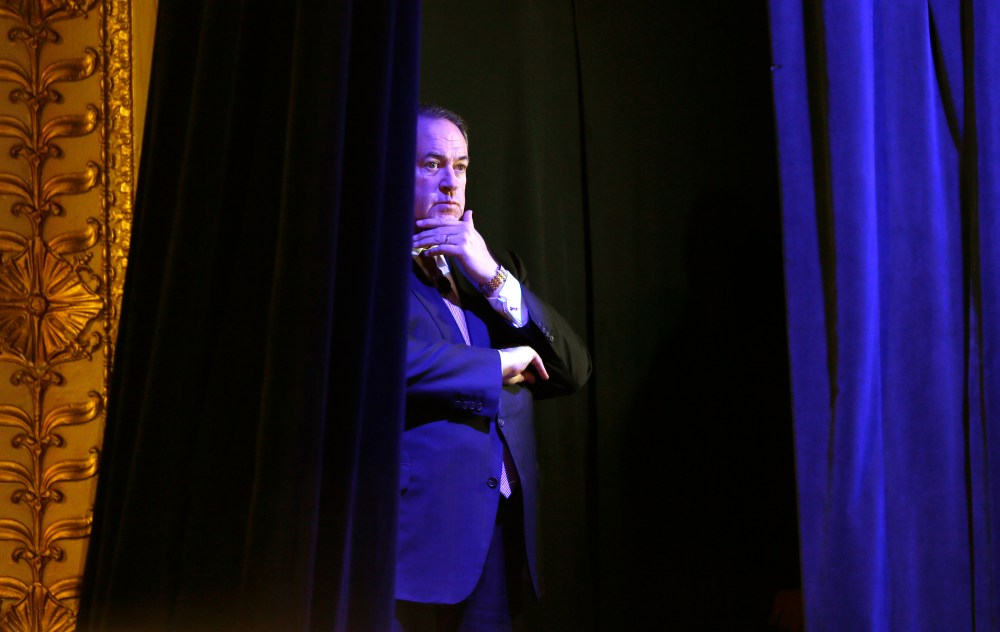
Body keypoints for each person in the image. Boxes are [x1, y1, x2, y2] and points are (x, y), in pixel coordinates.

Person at [396, 104, 592, 632]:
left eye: (460, 167)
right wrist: (497, 364)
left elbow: (573, 370)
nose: (450, 183)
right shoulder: (366, 264)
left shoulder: (483, 270)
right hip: (416, 540)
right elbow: (381, 364)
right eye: (431, 164)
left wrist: (493, 279)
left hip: (498, 536)